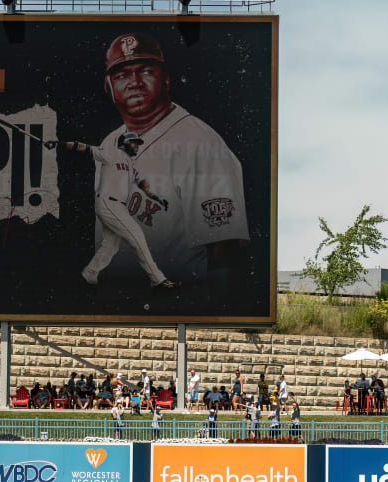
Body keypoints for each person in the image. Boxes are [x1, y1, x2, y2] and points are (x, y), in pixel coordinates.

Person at [86, 32, 250, 291]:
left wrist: (208, 315)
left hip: (177, 301)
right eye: (122, 75)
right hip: (113, 302)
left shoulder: (201, 142)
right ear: (108, 86)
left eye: (146, 71)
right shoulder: (110, 142)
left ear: (166, 79)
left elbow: (225, 251)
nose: (134, 82)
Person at [53, 135, 177, 292]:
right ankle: (158, 280)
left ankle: (88, 275)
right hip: (108, 202)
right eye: (134, 143)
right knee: (137, 236)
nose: (137, 146)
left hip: (117, 206)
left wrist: (158, 198)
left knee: (111, 245)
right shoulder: (112, 153)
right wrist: (61, 144)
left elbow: (143, 185)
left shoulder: (131, 165)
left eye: (138, 143)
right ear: (125, 143)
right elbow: (85, 148)